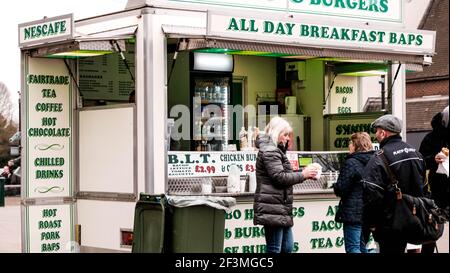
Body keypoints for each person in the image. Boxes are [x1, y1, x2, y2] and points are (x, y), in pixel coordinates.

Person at [361, 114, 426, 253]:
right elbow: (424, 186)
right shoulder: (416, 153)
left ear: (383, 133)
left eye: (377, 131)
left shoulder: (379, 157)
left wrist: (371, 223)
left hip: (390, 223)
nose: (376, 135)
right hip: (415, 218)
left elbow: (372, 194)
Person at [253, 116, 318, 253]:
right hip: (273, 207)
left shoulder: (274, 150)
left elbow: (282, 174)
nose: (288, 138)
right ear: (276, 133)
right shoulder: (271, 151)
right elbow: (280, 177)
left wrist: (305, 172)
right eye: (285, 134)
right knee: (275, 249)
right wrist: (303, 175)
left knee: (287, 247)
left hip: (279, 207)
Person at [333, 132, 375, 253]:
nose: (349, 146)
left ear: (356, 145)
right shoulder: (375, 161)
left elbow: (341, 188)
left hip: (353, 213)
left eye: (350, 143)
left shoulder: (351, 162)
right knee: (363, 246)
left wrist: (335, 186)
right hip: (369, 212)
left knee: (353, 248)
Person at [419, 106, 449, 254]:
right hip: (437, 191)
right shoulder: (431, 138)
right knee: (432, 229)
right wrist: (433, 159)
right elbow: (420, 161)